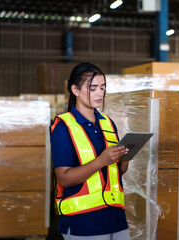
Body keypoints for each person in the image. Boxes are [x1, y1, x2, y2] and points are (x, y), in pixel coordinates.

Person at [50, 62, 131, 240]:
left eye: (102, 88)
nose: (99, 93)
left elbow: (117, 172)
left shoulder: (107, 123)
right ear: (75, 90)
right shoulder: (63, 127)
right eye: (93, 88)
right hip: (83, 223)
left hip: (115, 218)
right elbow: (64, 178)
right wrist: (101, 161)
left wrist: (124, 159)